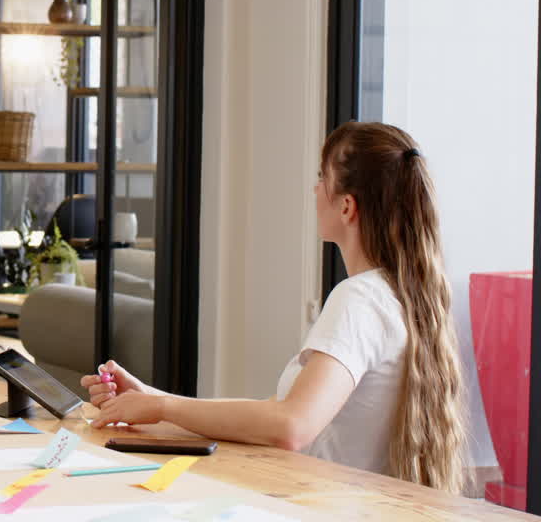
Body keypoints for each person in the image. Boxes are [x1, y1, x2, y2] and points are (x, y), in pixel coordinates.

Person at [83, 121, 466, 493]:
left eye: (322, 177)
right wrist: (152, 400)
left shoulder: (360, 300)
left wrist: (163, 408)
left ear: (347, 206)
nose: (314, 189)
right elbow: (276, 410)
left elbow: (290, 425)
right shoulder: (401, 294)